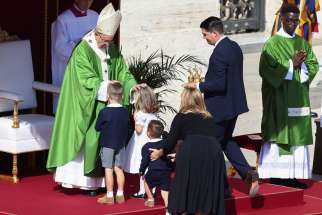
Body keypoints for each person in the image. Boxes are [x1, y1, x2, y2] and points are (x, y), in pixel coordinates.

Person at [47, 3, 144, 192]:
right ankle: (77, 181)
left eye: (110, 41)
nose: (108, 45)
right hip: (86, 103)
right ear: (97, 34)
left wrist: (133, 86)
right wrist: (107, 87)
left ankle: (98, 184)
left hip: (107, 102)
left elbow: (123, 71)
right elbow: (85, 80)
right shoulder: (82, 51)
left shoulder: (111, 47)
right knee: (85, 140)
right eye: (105, 41)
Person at [184, 16, 259, 197]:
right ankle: (248, 174)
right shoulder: (234, 47)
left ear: (215, 33)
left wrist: (198, 86)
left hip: (219, 109)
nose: (204, 38)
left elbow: (219, 83)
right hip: (233, 106)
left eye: (205, 35)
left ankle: (221, 189)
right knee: (225, 141)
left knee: (212, 148)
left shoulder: (219, 53)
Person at [258, 3, 319, 188]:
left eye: (295, 21)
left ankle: (293, 176)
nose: (292, 24)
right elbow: (265, 69)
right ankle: (277, 176)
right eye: (288, 20)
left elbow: (313, 65)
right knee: (281, 135)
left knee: (297, 137)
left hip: (299, 98)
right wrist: (291, 64)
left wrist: (304, 67)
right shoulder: (272, 44)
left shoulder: (301, 42)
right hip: (279, 100)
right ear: (281, 19)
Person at [150, 88, 225, 215]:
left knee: (186, 188)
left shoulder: (181, 117)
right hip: (213, 152)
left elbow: (170, 142)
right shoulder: (209, 117)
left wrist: (158, 153)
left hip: (192, 151)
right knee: (205, 190)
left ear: (184, 100)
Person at [51, 0, 98, 113]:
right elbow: (60, 48)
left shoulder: (95, 16)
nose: (88, 2)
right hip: (70, 70)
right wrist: (82, 45)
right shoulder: (63, 19)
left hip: (91, 69)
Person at [95, 82, 129, 204]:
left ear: (108, 96)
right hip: (121, 144)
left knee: (108, 169)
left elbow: (97, 127)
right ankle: (120, 194)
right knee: (119, 169)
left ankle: (109, 196)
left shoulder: (104, 112)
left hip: (108, 144)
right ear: (122, 96)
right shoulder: (125, 111)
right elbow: (128, 127)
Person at [123, 86, 159, 198]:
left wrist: (135, 118)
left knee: (141, 165)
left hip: (141, 142)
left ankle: (143, 191)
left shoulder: (139, 114)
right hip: (152, 141)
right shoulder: (153, 114)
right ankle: (151, 190)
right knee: (149, 166)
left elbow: (139, 131)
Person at [139, 120, 174, 215]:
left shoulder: (146, 146)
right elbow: (169, 155)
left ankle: (150, 198)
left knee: (146, 182)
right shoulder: (166, 143)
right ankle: (168, 210)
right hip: (165, 171)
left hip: (153, 170)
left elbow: (145, 161)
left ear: (148, 133)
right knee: (165, 191)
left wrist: (141, 170)